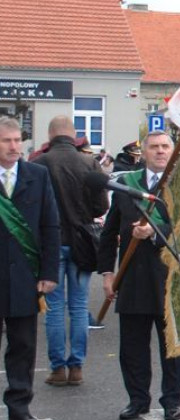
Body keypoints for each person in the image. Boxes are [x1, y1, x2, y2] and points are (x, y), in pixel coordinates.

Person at [98, 131, 180, 420]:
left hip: (169, 278)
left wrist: (155, 233)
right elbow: (110, 232)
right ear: (144, 152)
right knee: (133, 347)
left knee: (172, 347)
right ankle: (138, 399)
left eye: (165, 147)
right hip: (133, 277)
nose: (160, 152)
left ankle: (172, 400)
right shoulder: (126, 184)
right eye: (154, 147)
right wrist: (107, 273)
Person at [35, 115, 108, 388]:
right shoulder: (89, 162)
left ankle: (57, 368)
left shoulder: (39, 163)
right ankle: (76, 366)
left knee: (54, 308)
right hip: (82, 243)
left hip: (50, 244)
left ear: (50, 135)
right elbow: (101, 207)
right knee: (79, 307)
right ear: (74, 135)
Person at [0, 117, 60, 420]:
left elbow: (50, 225)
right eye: (6, 141)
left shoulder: (37, 175)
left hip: (25, 276)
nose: (13, 146)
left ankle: (20, 409)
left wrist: (49, 272)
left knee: (23, 346)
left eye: (17, 140)